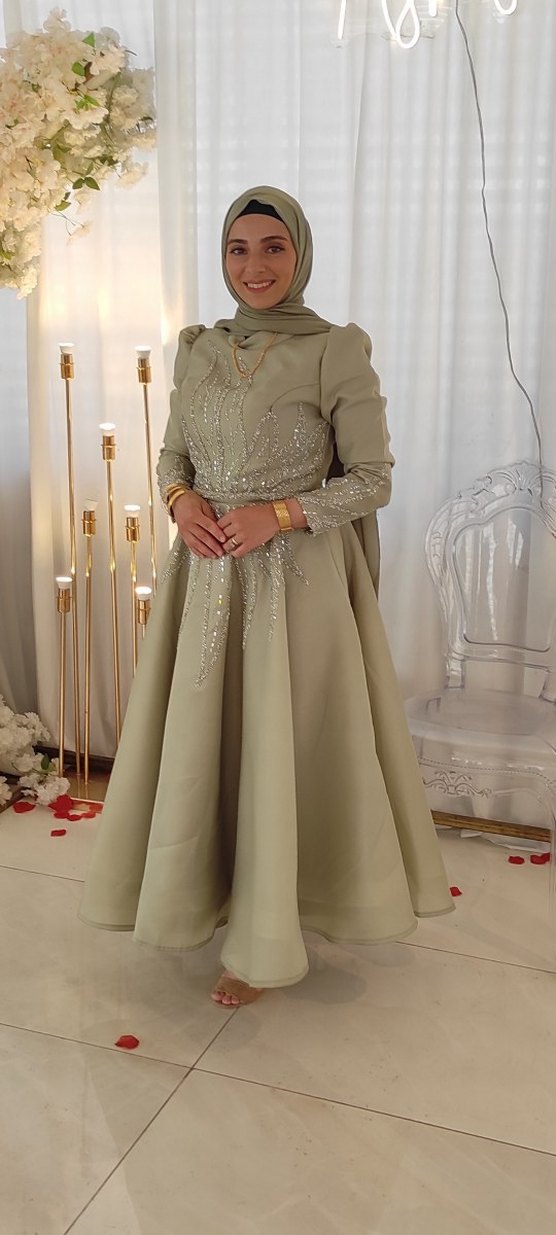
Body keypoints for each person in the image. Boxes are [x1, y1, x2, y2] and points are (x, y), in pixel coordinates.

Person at [80, 185, 454, 1008]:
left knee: (279, 750)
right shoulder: (199, 347)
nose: (255, 266)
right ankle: (201, 900)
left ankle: (264, 940)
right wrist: (180, 500)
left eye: (273, 248)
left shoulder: (335, 349)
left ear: (300, 254)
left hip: (296, 591)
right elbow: (173, 454)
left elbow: (373, 479)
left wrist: (277, 514)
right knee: (206, 747)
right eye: (238, 248)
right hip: (205, 580)